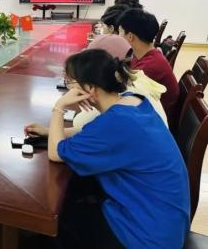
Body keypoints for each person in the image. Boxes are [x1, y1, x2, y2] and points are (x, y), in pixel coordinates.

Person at [27, 49, 189, 249]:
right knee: (75, 191)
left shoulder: (116, 122)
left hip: (144, 236)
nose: (69, 89)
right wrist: (49, 131)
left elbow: (56, 153)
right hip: (166, 222)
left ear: (90, 88)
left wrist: (59, 108)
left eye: (71, 82)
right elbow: (89, 132)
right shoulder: (132, 101)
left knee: (56, 219)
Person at [118, 8, 179, 124]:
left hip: (155, 122)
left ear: (130, 36)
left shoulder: (149, 68)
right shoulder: (146, 54)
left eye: (120, 32)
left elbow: (127, 97)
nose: (118, 36)